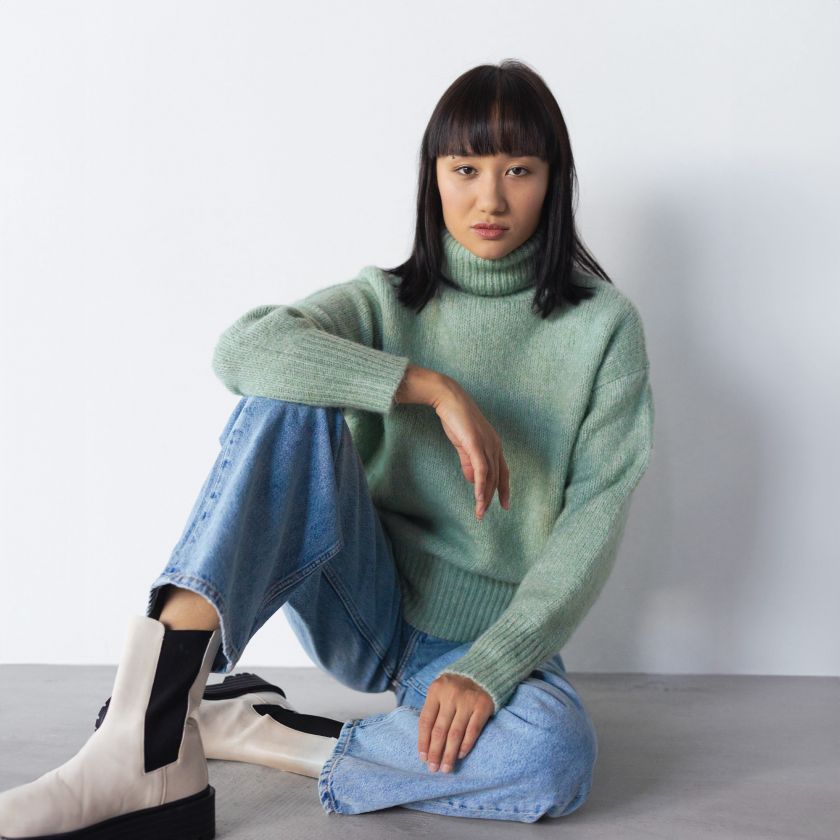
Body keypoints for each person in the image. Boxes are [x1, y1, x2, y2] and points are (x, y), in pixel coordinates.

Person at [0, 58, 655, 836]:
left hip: (483, 633)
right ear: (433, 178)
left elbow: (593, 521)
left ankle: (262, 732)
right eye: (465, 169)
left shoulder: (603, 328)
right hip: (364, 604)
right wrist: (428, 387)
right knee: (288, 394)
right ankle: (146, 728)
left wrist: (492, 665)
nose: (490, 198)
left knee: (552, 755)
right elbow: (243, 349)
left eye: (519, 169)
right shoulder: (385, 302)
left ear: (553, 180)